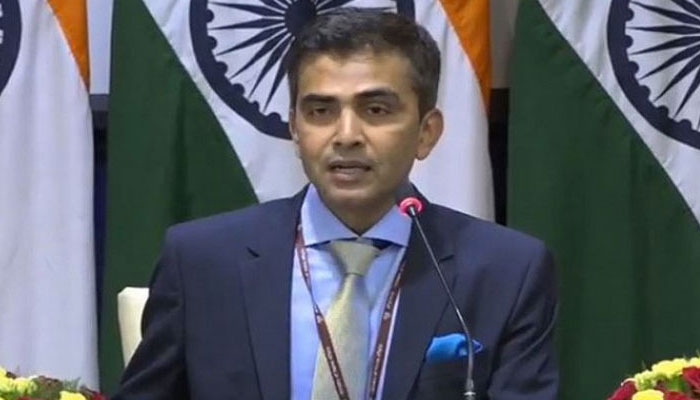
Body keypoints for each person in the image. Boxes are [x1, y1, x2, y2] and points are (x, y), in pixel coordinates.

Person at [112, 8, 558, 400]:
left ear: (426, 132)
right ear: (295, 130)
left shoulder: (506, 271)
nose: (346, 136)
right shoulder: (202, 261)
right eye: (321, 111)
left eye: (376, 110)